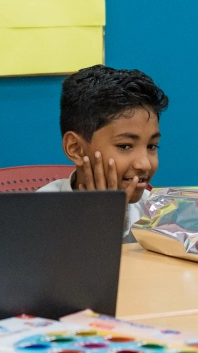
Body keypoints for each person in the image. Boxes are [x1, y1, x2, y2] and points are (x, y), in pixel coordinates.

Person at [35, 65, 167, 242]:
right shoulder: (40, 213)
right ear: (76, 149)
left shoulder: (153, 212)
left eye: (152, 146)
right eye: (125, 146)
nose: (145, 164)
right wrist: (105, 226)